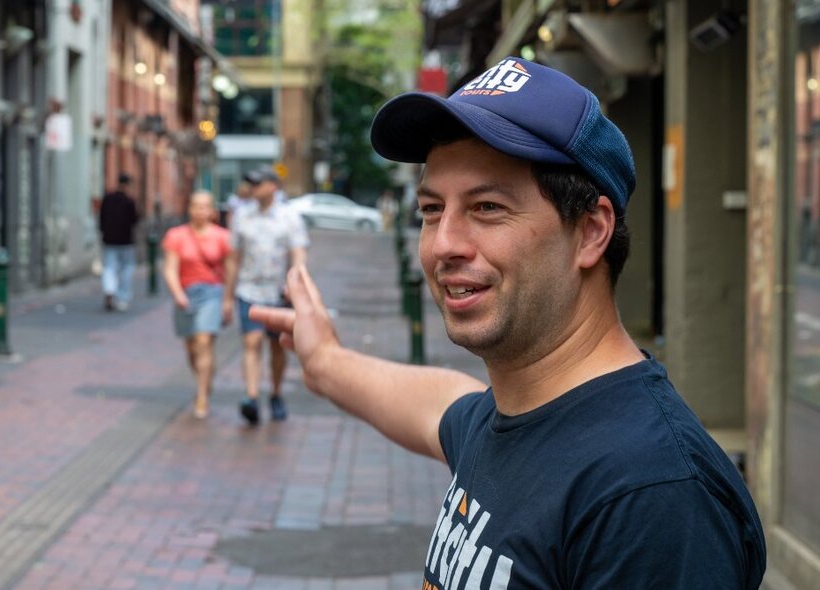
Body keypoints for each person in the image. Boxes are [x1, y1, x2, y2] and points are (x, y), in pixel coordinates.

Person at [249, 57, 766, 588]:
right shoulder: (512, 417)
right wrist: (324, 358)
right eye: (431, 210)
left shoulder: (652, 494)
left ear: (590, 232)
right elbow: (438, 405)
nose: (443, 244)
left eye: (488, 207)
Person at [231, 168, 308, 425]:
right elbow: (233, 256)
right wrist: (227, 293)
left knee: (277, 346)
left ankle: (275, 394)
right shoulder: (241, 215)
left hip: (278, 292)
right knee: (252, 343)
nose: (253, 188)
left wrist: (294, 284)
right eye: (250, 183)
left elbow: (298, 253)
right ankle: (251, 396)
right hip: (248, 289)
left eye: (258, 183)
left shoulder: (289, 217)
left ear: (273, 186)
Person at [162, 191, 235, 419]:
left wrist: (227, 299)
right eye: (196, 206)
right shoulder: (176, 235)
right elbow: (170, 268)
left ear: (212, 211)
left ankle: (202, 396)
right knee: (191, 348)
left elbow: (231, 270)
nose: (200, 211)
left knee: (204, 341)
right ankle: (205, 377)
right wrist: (178, 294)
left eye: (205, 207)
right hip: (186, 293)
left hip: (212, 292)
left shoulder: (223, 237)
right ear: (189, 209)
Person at [99, 173, 139, 311]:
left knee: (109, 267)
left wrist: (104, 232)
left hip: (109, 240)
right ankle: (123, 298)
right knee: (126, 269)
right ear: (128, 185)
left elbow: (101, 218)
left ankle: (109, 290)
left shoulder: (108, 198)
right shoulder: (129, 201)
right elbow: (135, 220)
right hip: (126, 241)